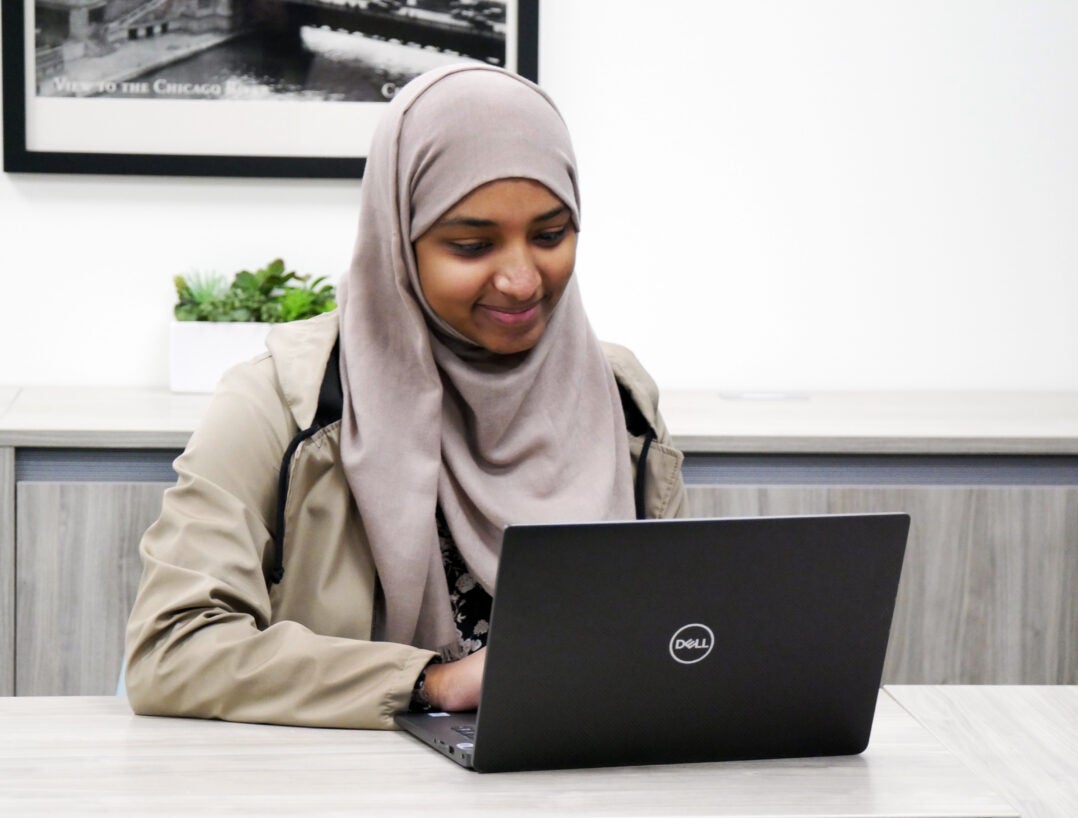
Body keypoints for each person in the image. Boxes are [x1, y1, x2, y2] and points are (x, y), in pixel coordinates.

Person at [124, 64, 688, 729]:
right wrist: (428, 682)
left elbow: (677, 634)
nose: (520, 278)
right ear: (399, 238)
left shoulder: (618, 397)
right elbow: (172, 652)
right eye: (472, 244)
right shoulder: (283, 402)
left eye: (550, 235)